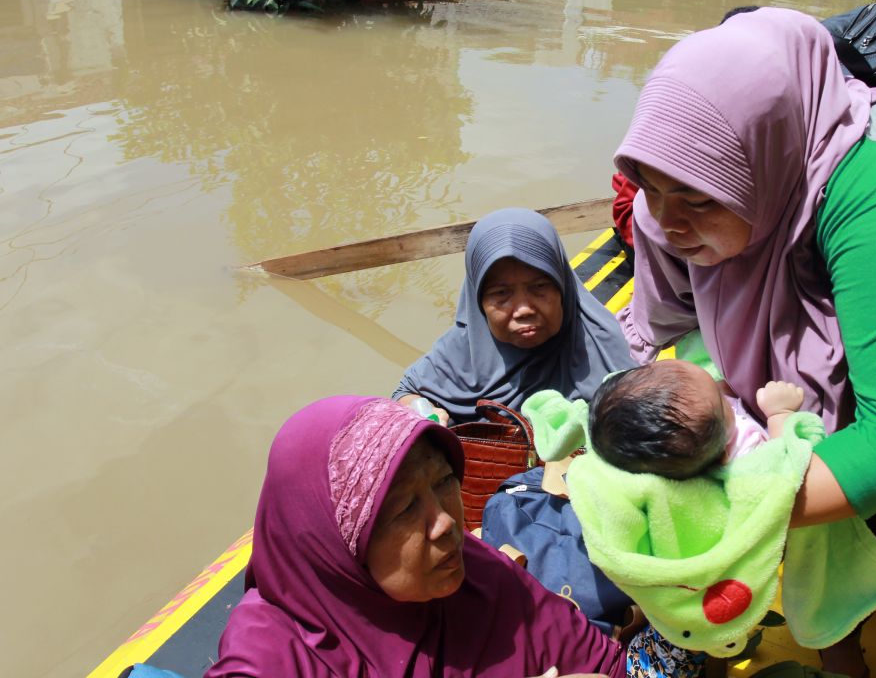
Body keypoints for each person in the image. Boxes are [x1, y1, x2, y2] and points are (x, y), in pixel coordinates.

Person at [611, 7, 876, 676]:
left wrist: (733, 511)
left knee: (869, 495)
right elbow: (650, 332)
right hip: (782, 230)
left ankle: (846, 646)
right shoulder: (678, 190)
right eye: (650, 187)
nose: (665, 221)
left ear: (762, 167)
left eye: (695, 198)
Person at [205, 395, 625, 678]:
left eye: (444, 482)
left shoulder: (482, 578)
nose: (445, 522)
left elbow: (603, 663)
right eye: (405, 509)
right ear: (331, 545)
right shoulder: (271, 657)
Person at [394, 207, 636, 424]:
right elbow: (405, 392)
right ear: (478, 302)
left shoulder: (605, 352)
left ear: (563, 287)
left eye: (539, 287)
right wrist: (421, 410)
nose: (523, 309)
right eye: (501, 294)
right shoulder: (460, 352)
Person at [590, 360, 803, 479]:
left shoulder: (701, 418)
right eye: (723, 401)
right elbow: (784, 468)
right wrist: (780, 414)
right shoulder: (744, 454)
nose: (723, 390)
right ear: (723, 455)